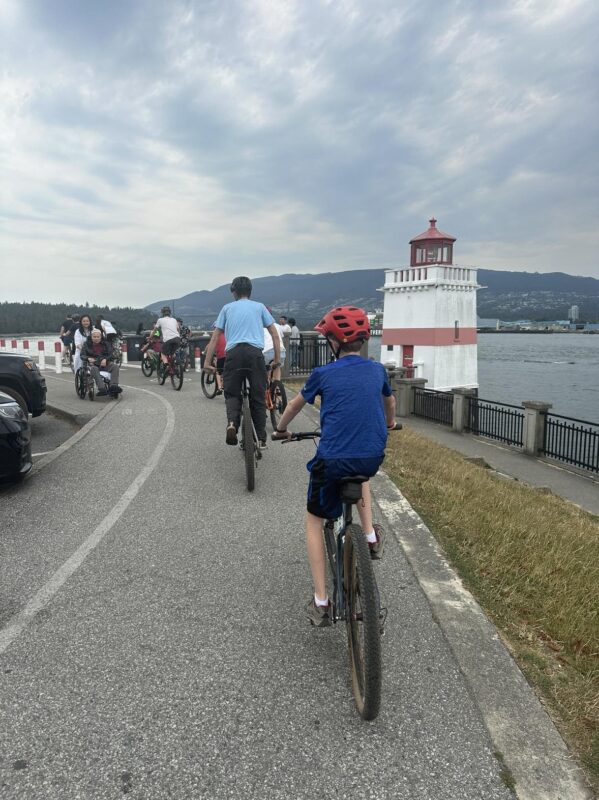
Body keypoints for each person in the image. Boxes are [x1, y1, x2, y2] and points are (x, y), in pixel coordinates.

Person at [272, 305, 398, 627]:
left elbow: (293, 406)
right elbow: (390, 403)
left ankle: (321, 602)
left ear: (334, 342)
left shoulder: (323, 374)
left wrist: (281, 429)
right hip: (370, 456)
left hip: (332, 460)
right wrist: (391, 423)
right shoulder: (377, 371)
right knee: (361, 472)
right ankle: (369, 535)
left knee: (314, 519)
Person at [202, 276, 280, 448]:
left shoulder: (227, 308)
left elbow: (215, 337)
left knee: (232, 393)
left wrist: (207, 363)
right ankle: (260, 437)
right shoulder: (259, 307)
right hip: (254, 354)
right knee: (258, 396)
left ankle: (232, 424)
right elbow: (274, 334)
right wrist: (277, 359)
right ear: (250, 292)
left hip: (234, 354)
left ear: (234, 292)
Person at [80, 328, 122, 396]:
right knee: (94, 368)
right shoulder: (86, 344)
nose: (96, 338)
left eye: (98, 337)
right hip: (93, 364)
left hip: (105, 363)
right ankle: (102, 388)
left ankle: (113, 386)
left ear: (100, 337)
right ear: (91, 337)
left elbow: (111, 354)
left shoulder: (106, 344)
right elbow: (82, 355)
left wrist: (106, 359)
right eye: (94, 337)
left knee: (115, 367)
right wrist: (88, 358)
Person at [263, 312, 286, 381]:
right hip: (281, 350)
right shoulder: (277, 326)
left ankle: (267, 385)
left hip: (267, 351)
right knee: (277, 367)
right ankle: (277, 385)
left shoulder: (260, 326)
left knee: (266, 369)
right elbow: (281, 336)